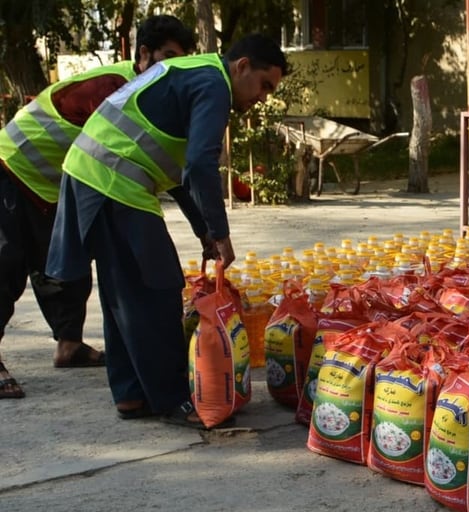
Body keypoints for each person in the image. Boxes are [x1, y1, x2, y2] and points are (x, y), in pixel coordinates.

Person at [46, 34, 288, 426]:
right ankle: (172, 400)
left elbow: (176, 171)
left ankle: (131, 395)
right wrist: (220, 232)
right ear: (242, 66)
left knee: (122, 290)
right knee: (155, 290)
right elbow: (199, 166)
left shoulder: (193, 72)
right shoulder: (214, 85)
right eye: (264, 85)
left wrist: (203, 231)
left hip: (94, 173)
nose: (261, 97)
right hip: (113, 179)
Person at [0, 15, 195, 399]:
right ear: (143, 55)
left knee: (63, 267)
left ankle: (69, 345)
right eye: (166, 58)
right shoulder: (114, 88)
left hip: (54, 183)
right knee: (5, 265)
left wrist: (204, 227)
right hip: (12, 164)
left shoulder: (152, 93)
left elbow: (176, 170)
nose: (170, 70)